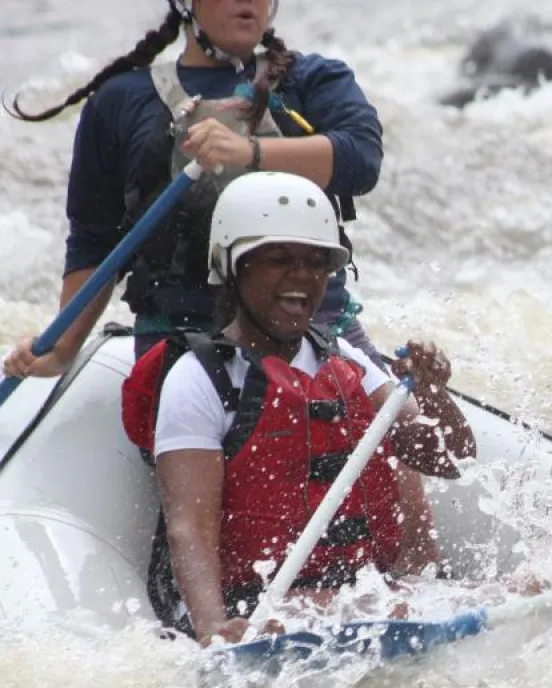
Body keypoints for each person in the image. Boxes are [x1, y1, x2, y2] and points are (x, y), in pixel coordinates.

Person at [119, 171, 475, 647]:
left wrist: (433, 394)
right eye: (280, 260)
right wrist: (212, 628)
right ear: (233, 268)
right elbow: (190, 527)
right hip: (257, 607)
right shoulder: (200, 378)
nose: (302, 276)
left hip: (365, 594)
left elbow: (448, 460)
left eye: (314, 263)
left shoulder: (344, 358)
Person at [4, 0, 385, 372]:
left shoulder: (314, 80)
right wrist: (62, 349)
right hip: (180, 337)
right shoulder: (120, 100)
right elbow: (95, 241)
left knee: (414, 423)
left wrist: (249, 152)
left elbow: (361, 158)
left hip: (315, 326)